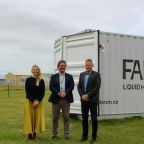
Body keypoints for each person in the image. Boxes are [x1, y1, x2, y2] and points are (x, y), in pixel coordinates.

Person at [48, 60, 74, 140]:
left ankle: (66, 135)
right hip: (56, 99)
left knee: (66, 118)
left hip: (66, 99)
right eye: (61, 66)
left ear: (65, 67)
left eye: (64, 66)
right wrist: (59, 93)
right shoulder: (53, 76)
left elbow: (71, 86)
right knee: (55, 117)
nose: (62, 67)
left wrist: (65, 93)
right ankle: (54, 134)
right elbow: (51, 87)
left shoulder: (70, 76)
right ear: (58, 67)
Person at [77, 59, 101, 143]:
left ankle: (94, 137)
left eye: (89, 65)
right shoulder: (82, 74)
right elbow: (79, 87)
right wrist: (82, 95)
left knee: (94, 119)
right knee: (84, 119)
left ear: (92, 65)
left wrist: (87, 95)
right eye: (86, 65)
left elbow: (96, 87)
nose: (87, 66)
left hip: (93, 100)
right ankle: (84, 136)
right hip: (84, 101)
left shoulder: (96, 74)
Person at [23, 65, 45, 140]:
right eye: (34, 69)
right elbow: (27, 92)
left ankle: (34, 135)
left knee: (36, 119)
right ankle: (29, 135)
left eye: (36, 69)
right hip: (29, 102)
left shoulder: (41, 80)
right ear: (32, 71)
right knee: (29, 118)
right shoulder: (28, 80)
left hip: (38, 103)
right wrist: (33, 101)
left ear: (38, 71)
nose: (35, 70)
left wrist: (38, 101)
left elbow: (42, 93)